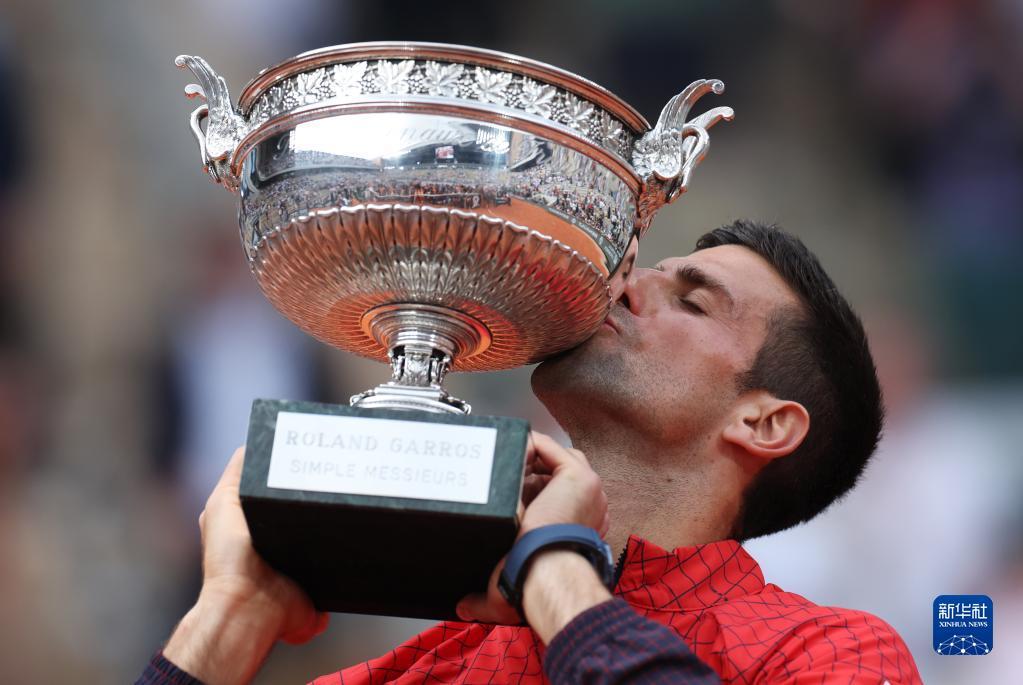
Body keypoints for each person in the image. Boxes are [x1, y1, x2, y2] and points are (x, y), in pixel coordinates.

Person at [137, 221, 923, 684]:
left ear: (765, 423)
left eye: (689, 301)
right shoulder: (424, 666)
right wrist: (228, 617)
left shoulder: (829, 652)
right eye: (642, 272)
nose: (621, 287)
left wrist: (554, 568)